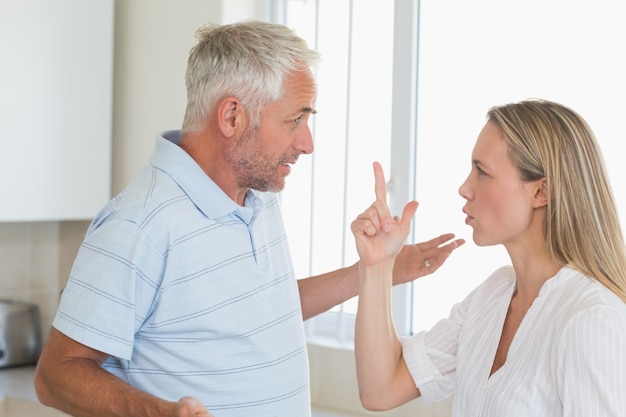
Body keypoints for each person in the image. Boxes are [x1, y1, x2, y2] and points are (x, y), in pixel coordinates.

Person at [33, 20, 463, 417]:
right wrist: (159, 413)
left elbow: (263, 310)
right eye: (296, 119)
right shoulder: (141, 223)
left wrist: (373, 272)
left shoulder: (258, 197)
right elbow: (56, 375)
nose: (308, 142)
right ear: (232, 116)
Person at [352, 99, 626, 416]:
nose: (465, 188)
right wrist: (377, 267)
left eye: (482, 172)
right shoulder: (492, 296)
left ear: (541, 192)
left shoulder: (591, 319)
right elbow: (380, 390)